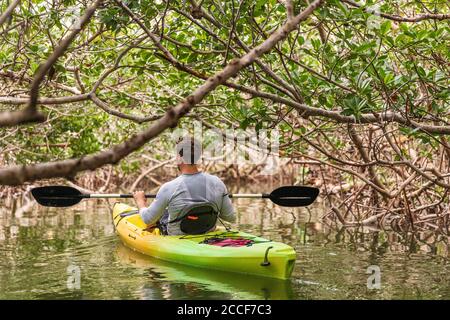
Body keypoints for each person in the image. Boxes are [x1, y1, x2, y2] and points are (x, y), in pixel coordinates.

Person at [132, 136, 236, 235]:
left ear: (180, 158)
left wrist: (140, 202)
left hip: (176, 238)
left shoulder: (168, 188)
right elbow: (230, 217)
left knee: (161, 215)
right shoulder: (217, 183)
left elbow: (147, 218)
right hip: (207, 233)